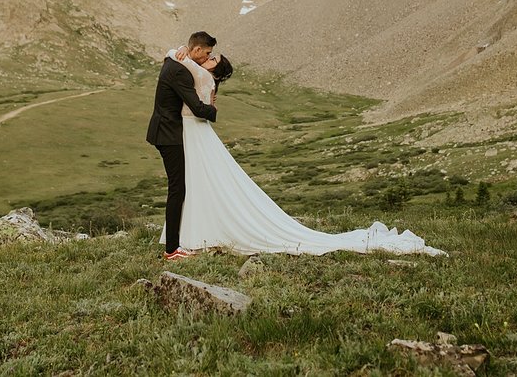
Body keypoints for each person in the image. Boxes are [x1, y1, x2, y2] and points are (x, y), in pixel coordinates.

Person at [163, 47, 446, 258]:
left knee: (196, 182)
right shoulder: (205, 78)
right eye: (211, 55)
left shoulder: (205, 77)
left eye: (214, 58)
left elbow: (189, 68)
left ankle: (189, 237)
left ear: (215, 70)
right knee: (196, 182)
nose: (209, 58)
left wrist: (178, 55)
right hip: (191, 134)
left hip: (195, 133)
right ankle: (190, 234)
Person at [145, 31, 219, 260]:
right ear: (196, 50)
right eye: (206, 53)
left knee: (179, 187)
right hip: (168, 134)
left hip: (165, 131)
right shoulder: (180, 71)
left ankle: (177, 241)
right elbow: (197, 108)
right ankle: (171, 250)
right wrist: (213, 110)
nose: (207, 58)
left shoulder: (175, 60)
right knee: (177, 188)